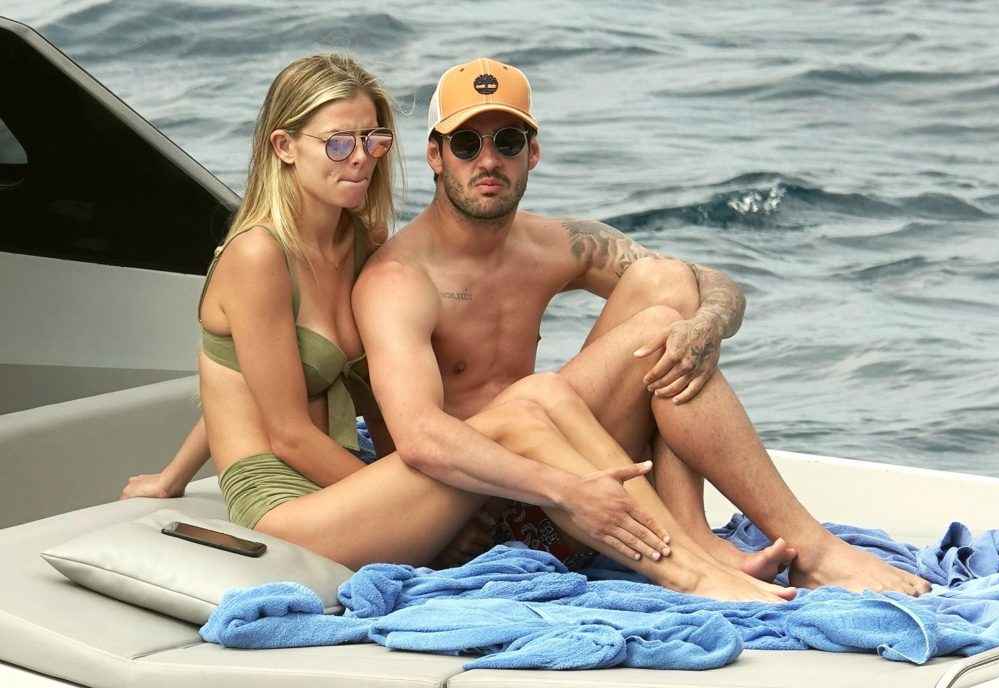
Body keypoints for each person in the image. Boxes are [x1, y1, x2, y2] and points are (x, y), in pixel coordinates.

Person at [127, 52, 797, 602]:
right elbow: (284, 431)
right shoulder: (257, 256)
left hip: (350, 483)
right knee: (530, 405)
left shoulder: (358, 242)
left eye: (372, 139)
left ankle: (692, 549)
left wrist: (171, 476)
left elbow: (243, 373)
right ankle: (692, 576)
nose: (360, 159)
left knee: (557, 386)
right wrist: (432, 497)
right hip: (287, 505)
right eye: (337, 142)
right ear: (284, 148)